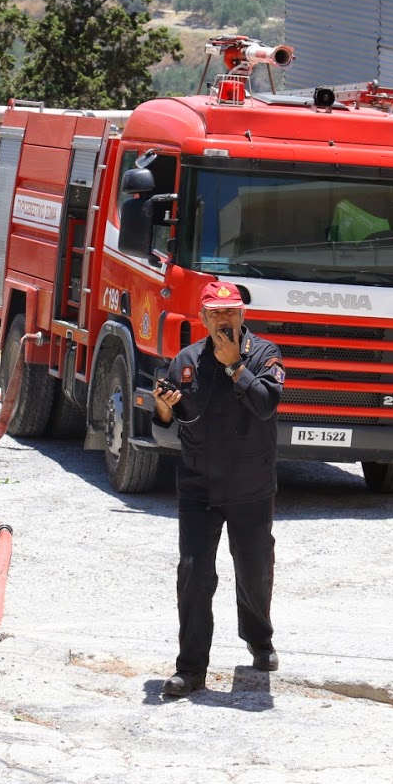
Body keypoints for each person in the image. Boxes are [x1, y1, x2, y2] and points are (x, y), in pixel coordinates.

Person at [151, 279, 287, 699]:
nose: (224, 319)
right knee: (193, 573)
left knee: (253, 570)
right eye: (215, 313)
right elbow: (163, 429)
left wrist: (235, 367)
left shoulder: (264, 355)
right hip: (198, 487)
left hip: (250, 485)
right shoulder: (186, 360)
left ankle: (259, 641)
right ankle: (190, 669)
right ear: (204, 318)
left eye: (231, 312)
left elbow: (266, 404)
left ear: (243, 315)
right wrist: (163, 407)